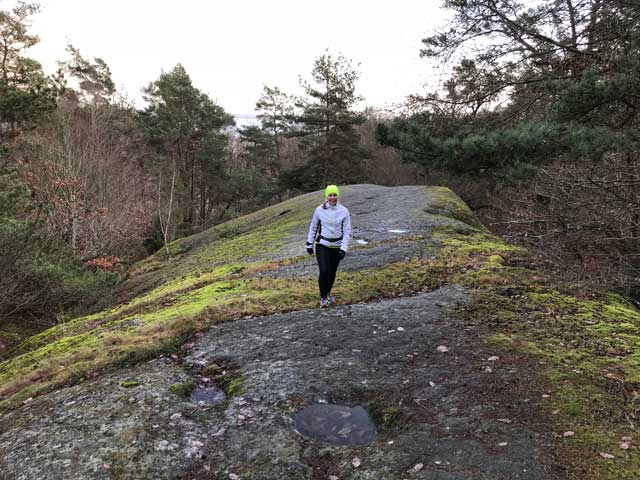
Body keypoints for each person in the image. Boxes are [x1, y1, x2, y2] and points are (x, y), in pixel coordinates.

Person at [306, 185, 351, 308]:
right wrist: (309, 244)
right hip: (322, 244)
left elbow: (347, 232)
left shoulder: (344, 211)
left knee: (331, 273)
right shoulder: (319, 210)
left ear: (338, 196)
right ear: (326, 196)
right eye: (330, 195)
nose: (332, 197)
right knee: (324, 270)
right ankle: (323, 298)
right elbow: (313, 227)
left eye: (334, 195)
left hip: (337, 246)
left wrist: (343, 249)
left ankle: (328, 292)